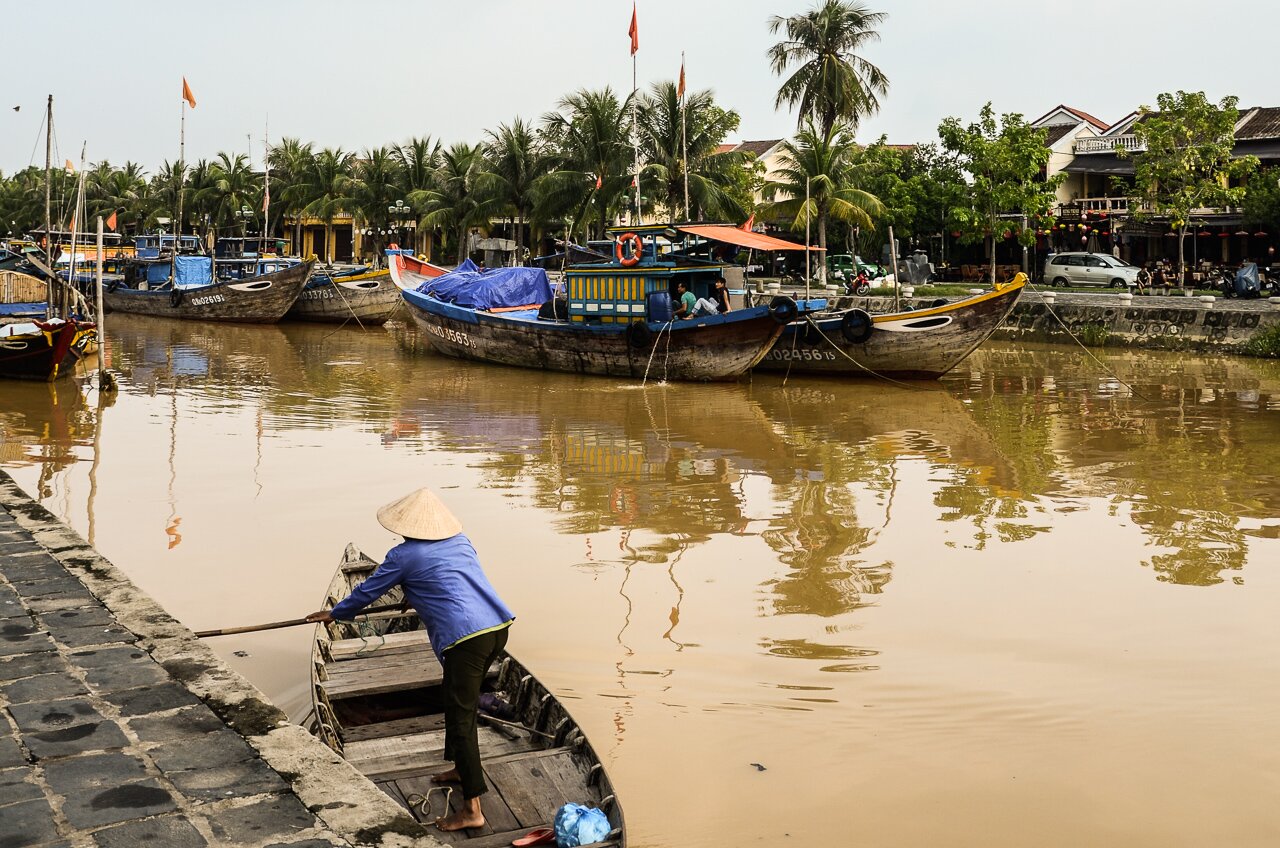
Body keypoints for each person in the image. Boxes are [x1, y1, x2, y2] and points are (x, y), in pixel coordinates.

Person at [305, 488, 514, 833]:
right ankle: (462, 769)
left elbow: (368, 591)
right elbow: (451, 579)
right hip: (496, 628)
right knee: (455, 701)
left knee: (462, 720)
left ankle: (472, 809)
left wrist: (336, 614)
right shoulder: (461, 541)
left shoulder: (403, 556)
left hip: (466, 640)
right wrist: (412, 592)